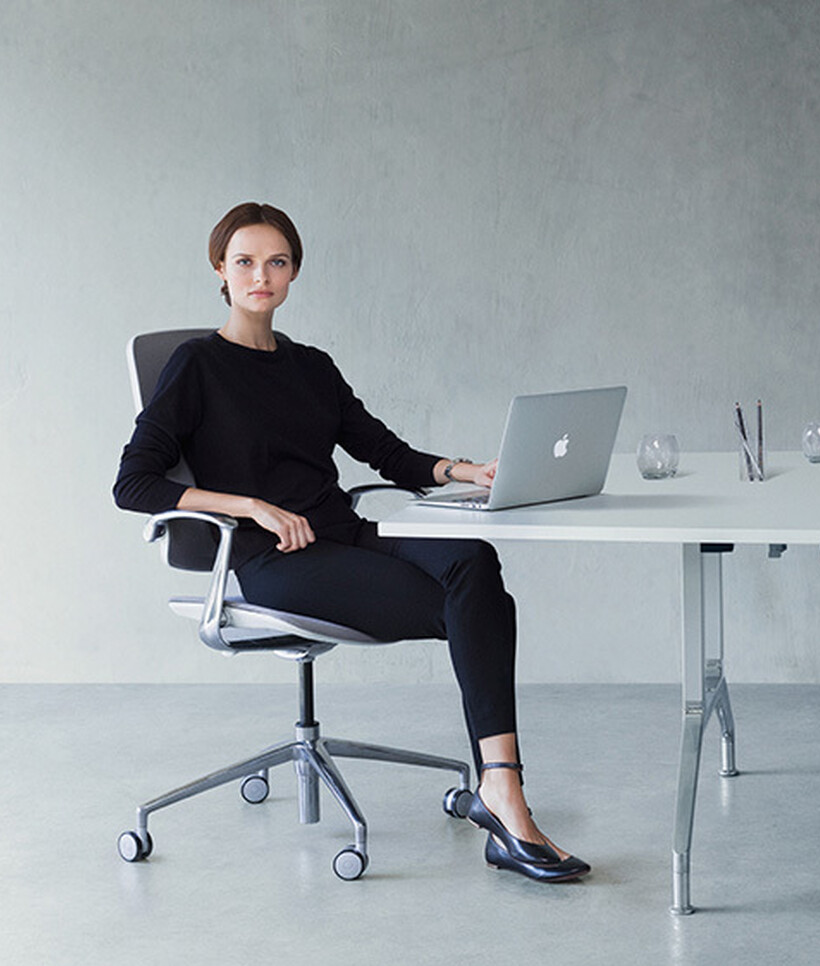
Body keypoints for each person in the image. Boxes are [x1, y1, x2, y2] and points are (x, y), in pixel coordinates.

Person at [114, 202, 588, 882]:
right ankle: (505, 800)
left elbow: (383, 452)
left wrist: (467, 472)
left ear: (294, 271)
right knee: (471, 605)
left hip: (347, 533)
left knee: (474, 561)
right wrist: (251, 506)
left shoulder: (311, 366)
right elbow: (133, 484)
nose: (260, 275)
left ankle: (501, 787)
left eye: (276, 261)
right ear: (219, 269)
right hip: (271, 560)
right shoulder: (196, 365)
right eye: (244, 261)